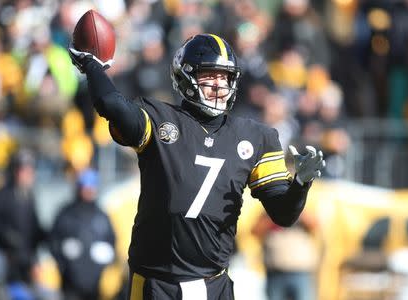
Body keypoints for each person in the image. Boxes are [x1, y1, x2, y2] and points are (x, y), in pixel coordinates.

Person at [68, 33, 325, 300]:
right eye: (210, 75)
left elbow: (284, 214)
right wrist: (91, 64)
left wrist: (300, 185)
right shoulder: (159, 120)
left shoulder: (255, 137)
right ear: (185, 77)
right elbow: (111, 104)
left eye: (224, 77)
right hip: (157, 283)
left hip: (214, 284)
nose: (218, 84)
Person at [0, 149, 46, 291]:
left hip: (25, 260)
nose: (28, 175)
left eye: (30, 171)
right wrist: (6, 235)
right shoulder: (1, 195)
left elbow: (33, 227)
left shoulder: (29, 196)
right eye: (23, 170)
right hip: (5, 258)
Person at [49, 168, 116, 300]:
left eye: (91, 188)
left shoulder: (101, 215)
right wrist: (63, 259)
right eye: (85, 187)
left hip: (95, 282)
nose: (88, 191)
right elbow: (53, 240)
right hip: (70, 281)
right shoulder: (66, 213)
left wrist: (105, 255)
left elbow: (112, 240)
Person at [251, 212, 320, 300]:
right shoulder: (268, 212)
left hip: (301, 272)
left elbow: (315, 225)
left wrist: (296, 212)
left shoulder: (301, 209)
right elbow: (255, 231)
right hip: (275, 274)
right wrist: (275, 216)